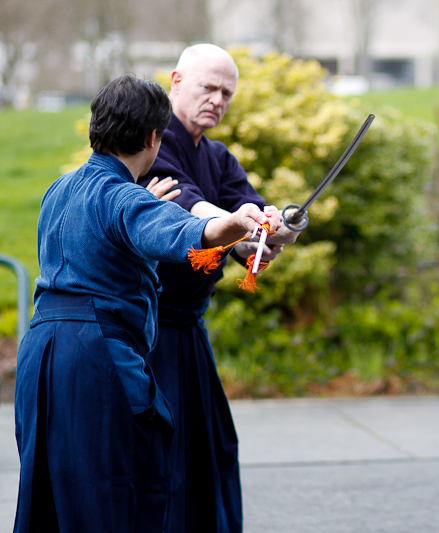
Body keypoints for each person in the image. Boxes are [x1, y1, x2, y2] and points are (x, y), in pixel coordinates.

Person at [13, 74, 282, 532]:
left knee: (52, 497)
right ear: (153, 137)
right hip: (95, 356)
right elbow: (194, 235)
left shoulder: (59, 190)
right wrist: (237, 222)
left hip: (40, 355)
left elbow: (107, 233)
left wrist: (141, 205)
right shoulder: (125, 198)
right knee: (112, 495)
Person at [138, 44, 299, 533]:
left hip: (189, 326)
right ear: (177, 81)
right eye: (208, 87)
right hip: (146, 328)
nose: (218, 99)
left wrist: (277, 229)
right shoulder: (150, 145)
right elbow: (190, 207)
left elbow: (250, 215)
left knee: (213, 446)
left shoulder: (220, 157)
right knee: (161, 451)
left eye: (227, 92)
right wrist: (239, 226)